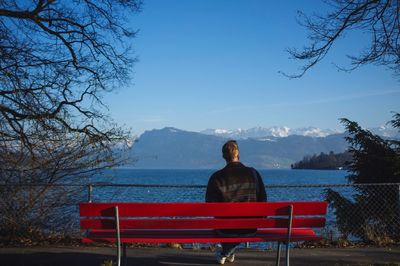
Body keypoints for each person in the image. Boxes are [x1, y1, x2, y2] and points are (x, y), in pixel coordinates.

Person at [205, 140, 267, 265]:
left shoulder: (216, 177)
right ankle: (227, 252)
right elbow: (263, 199)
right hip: (250, 228)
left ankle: (225, 252)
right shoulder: (253, 173)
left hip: (225, 229)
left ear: (224, 157)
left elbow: (210, 206)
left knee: (227, 226)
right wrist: (261, 218)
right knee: (238, 228)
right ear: (238, 155)